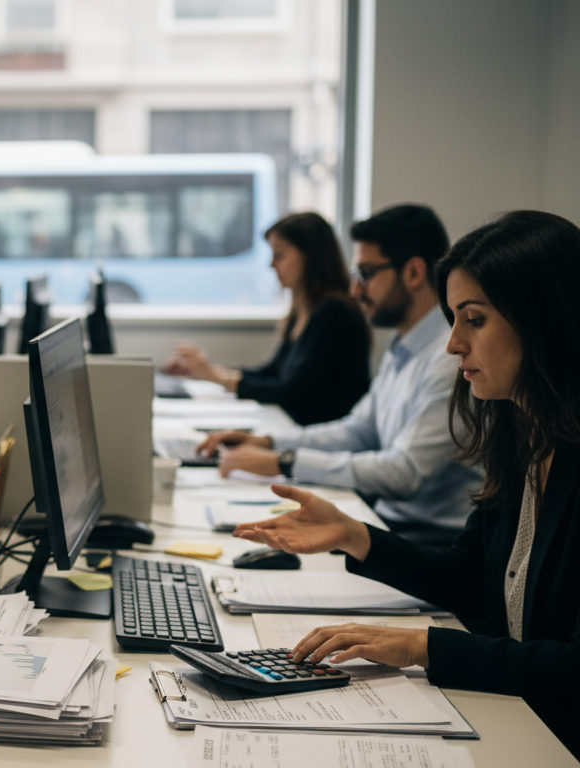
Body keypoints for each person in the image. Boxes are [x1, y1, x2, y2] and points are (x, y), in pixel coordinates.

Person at [234, 210, 580, 758]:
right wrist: (355, 536)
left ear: (541, 319)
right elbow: (470, 577)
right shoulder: (523, 437)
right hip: (524, 713)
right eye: (453, 319)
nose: (453, 344)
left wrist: (423, 645)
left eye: (475, 320)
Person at [198, 204, 482, 539]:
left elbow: (404, 473)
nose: (355, 290)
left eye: (366, 274)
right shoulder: (403, 345)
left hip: (432, 538)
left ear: (414, 274)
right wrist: (268, 442)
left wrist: (284, 461)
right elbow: (358, 430)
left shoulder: (449, 358)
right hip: (390, 520)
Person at [163, 212, 370, 425]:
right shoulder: (302, 310)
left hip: (317, 434)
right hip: (294, 425)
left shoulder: (335, 313)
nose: (272, 265)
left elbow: (290, 392)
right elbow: (272, 372)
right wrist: (209, 371)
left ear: (310, 257)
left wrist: (217, 378)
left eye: (279, 255)